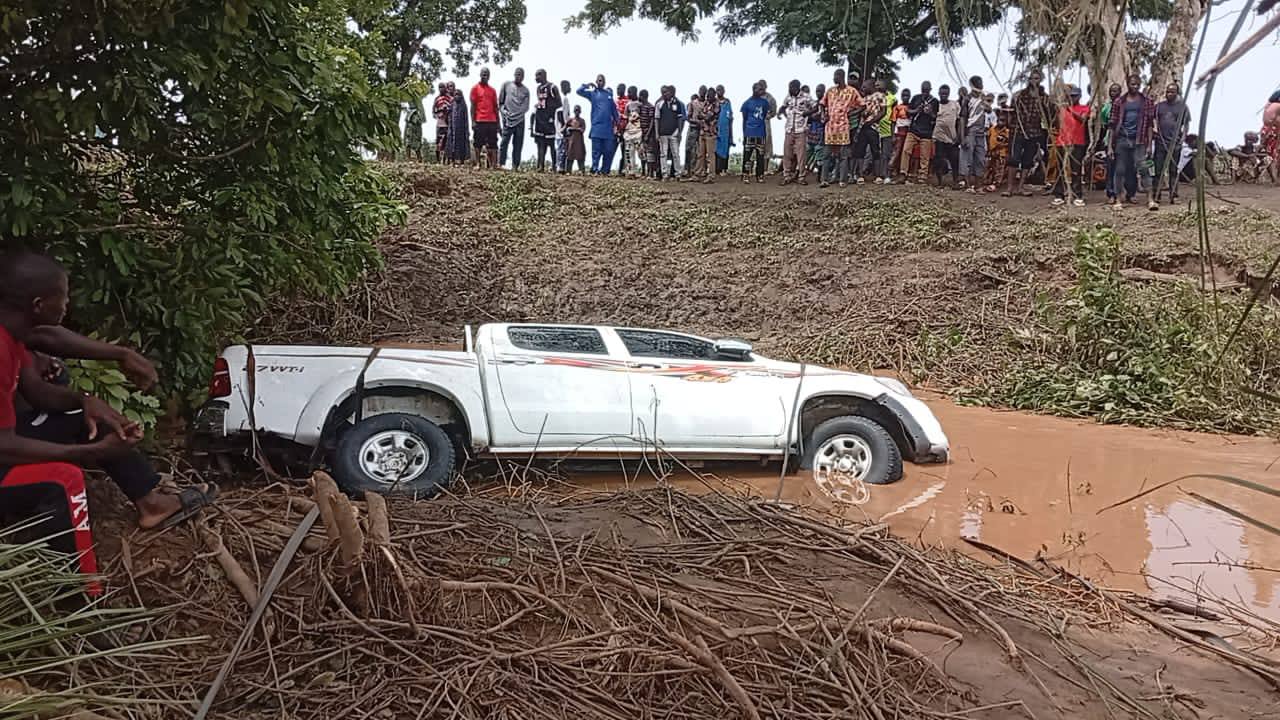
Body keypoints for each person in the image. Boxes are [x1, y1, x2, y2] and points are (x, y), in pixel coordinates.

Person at [0, 252, 216, 578]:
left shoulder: (12, 331)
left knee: (87, 417)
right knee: (63, 480)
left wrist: (87, 400)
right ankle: (77, 594)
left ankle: (152, 505)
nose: (68, 304)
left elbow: (38, 390)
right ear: (38, 305)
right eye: (64, 296)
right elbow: (4, 446)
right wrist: (89, 452)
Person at [1108, 73, 1157, 210]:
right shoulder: (1119, 102)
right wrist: (1110, 147)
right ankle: (1118, 200)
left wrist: (1149, 145)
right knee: (1120, 170)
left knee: (1144, 169)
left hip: (1139, 141)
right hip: (1122, 140)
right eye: (1132, 84)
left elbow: (1149, 125)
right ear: (1127, 84)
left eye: (1137, 84)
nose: (1135, 87)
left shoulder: (1146, 101)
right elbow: (1112, 125)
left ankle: (1150, 200)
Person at [1004, 69, 1054, 197]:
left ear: (1041, 80)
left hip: (1034, 132)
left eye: (1036, 78)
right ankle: (1010, 188)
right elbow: (1011, 111)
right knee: (1014, 158)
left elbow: (1048, 114)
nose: (1034, 81)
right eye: (1032, 78)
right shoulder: (1020, 95)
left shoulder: (1044, 97)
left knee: (1027, 160)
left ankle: (1021, 187)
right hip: (1018, 130)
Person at [820, 69, 859, 188]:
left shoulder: (852, 91)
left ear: (841, 76)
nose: (834, 78)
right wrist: (823, 114)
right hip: (830, 128)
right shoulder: (830, 91)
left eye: (835, 76)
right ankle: (824, 180)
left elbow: (862, 105)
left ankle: (842, 180)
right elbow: (822, 103)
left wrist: (851, 113)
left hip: (843, 128)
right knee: (826, 155)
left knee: (843, 156)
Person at [1051, 85, 1089, 206]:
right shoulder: (1061, 109)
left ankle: (1077, 195)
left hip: (1077, 142)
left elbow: (1083, 120)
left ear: (1080, 96)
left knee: (1076, 169)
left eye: (1074, 96)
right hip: (1062, 142)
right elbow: (1056, 124)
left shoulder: (1084, 108)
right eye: (1070, 96)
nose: (1072, 98)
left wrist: (1069, 109)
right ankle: (1059, 195)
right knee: (1060, 169)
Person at [1152, 83, 1189, 204]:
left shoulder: (1182, 107)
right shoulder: (1159, 106)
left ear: (1177, 93)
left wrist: (1182, 139)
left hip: (1175, 144)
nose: (1169, 94)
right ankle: (1156, 195)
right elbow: (1152, 120)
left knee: (1173, 171)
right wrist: (1155, 131)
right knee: (1158, 171)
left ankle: (1174, 195)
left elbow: (1186, 125)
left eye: (1172, 92)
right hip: (1160, 143)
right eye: (1168, 91)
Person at [577, 75, 619, 174]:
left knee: (608, 151)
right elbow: (578, 91)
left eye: (602, 81)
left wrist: (617, 125)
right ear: (596, 81)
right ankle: (595, 169)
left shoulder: (609, 95)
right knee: (596, 151)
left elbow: (614, 111)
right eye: (599, 80)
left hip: (608, 129)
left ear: (605, 82)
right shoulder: (593, 93)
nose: (600, 82)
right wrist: (587, 85)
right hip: (596, 127)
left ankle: (604, 170)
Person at [898, 81, 938, 184]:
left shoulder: (934, 101)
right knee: (906, 151)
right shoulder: (916, 98)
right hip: (913, 130)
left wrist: (930, 113)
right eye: (923, 90)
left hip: (927, 133)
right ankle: (903, 173)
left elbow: (936, 118)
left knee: (925, 156)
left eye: (926, 90)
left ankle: (922, 176)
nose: (924, 92)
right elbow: (908, 112)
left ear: (930, 90)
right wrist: (917, 110)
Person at [778, 79, 814, 185]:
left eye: (791, 87)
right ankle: (786, 176)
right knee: (787, 153)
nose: (789, 89)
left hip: (801, 129)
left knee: (801, 155)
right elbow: (783, 106)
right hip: (789, 129)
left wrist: (807, 114)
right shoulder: (788, 97)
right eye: (789, 87)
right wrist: (780, 113)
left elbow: (816, 106)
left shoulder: (806, 97)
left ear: (797, 88)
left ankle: (801, 177)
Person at [851, 79, 885, 184]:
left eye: (865, 87)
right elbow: (861, 112)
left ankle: (877, 175)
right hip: (863, 127)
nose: (863, 89)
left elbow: (883, 112)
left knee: (875, 151)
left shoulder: (880, 95)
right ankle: (860, 175)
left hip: (873, 127)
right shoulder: (864, 99)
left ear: (871, 86)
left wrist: (872, 121)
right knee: (860, 151)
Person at [960, 79, 991, 191]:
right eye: (978, 84)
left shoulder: (983, 98)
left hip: (981, 133)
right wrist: (962, 137)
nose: (980, 86)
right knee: (967, 158)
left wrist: (984, 101)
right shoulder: (967, 99)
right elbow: (962, 118)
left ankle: (978, 186)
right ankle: (968, 185)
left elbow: (989, 110)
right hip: (970, 131)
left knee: (980, 159)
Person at [496, 68, 530, 169]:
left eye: (520, 75)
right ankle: (501, 163)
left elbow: (525, 107)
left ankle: (515, 165)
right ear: (514, 74)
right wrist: (505, 113)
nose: (518, 76)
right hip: (507, 120)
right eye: (517, 74)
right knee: (504, 142)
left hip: (520, 120)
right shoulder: (506, 85)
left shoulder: (526, 91)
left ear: (523, 77)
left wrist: (515, 115)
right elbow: (500, 103)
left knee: (518, 144)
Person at [530, 69, 561, 173]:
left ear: (543, 75)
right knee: (540, 143)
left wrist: (549, 109)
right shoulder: (538, 88)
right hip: (540, 119)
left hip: (549, 120)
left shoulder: (552, 87)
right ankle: (541, 166)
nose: (536, 78)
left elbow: (559, 103)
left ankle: (554, 166)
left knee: (551, 144)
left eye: (537, 76)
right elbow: (540, 101)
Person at [931, 84, 962, 188]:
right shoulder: (936, 105)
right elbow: (932, 118)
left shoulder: (955, 104)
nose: (943, 95)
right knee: (939, 159)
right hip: (939, 136)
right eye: (942, 93)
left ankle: (955, 181)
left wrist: (959, 136)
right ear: (939, 94)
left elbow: (959, 121)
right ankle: (940, 182)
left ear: (948, 93)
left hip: (952, 138)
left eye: (945, 93)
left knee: (955, 159)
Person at [740, 82, 771, 183]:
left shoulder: (765, 103)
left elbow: (765, 114)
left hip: (761, 133)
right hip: (749, 132)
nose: (762, 91)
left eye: (762, 89)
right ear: (754, 90)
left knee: (760, 156)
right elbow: (744, 119)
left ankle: (760, 175)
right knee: (747, 156)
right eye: (759, 89)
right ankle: (745, 175)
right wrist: (744, 133)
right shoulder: (747, 103)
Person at [1098, 83, 1123, 203]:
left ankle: (1122, 192)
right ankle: (1111, 193)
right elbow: (1104, 124)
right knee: (1110, 167)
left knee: (1122, 168)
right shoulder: (1106, 107)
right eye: (1112, 91)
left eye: (1116, 91)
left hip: (1123, 139)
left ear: (1120, 92)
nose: (1113, 93)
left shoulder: (1124, 105)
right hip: (1110, 139)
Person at [470, 68, 499, 169]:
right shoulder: (475, 88)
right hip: (479, 120)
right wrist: (473, 121)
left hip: (492, 120)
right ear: (480, 75)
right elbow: (473, 106)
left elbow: (495, 107)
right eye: (483, 74)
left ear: (489, 76)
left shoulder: (493, 90)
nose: (484, 75)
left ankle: (494, 165)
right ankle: (478, 164)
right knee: (477, 143)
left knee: (493, 144)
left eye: (486, 74)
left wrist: (498, 123)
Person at [654, 86, 686, 180]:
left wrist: (679, 132)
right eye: (663, 93)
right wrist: (657, 133)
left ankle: (678, 174)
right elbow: (656, 119)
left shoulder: (677, 104)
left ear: (670, 93)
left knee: (675, 153)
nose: (665, 94)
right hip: (663, 133)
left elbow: (680, 118)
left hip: (674, 133)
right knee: (663, 154)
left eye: (666, 92)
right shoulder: (659, 104)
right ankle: (664, 174)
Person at [692, 82, 720, 182]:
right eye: (707, 96)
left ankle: (711, 176)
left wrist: (702, 116)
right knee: (700, 154)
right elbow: (700, 115)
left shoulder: (716, 104)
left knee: (710, 155)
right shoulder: (706, 103)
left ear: (714, 95)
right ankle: (698, 174)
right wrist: (703, 116)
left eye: (709, 96)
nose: (707, 97)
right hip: (703, 131)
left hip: (711, 133)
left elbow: (708, 117)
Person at [875, 80, 897, 183]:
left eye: (879, 84)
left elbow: (894, 115)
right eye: (876, 85)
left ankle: (886, 175)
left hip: (887, 128)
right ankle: (878, 175)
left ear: (885, 85)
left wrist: (893, 132)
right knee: (875, 153)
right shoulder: (874, 97)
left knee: (886, 153)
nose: (877, 86)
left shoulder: (892, 98)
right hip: (875, 128)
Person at [984, 108, 1011, 191]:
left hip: (1001, 153)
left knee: (999, 168)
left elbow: (1008, 143)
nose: (1001, 122)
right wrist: (988, 149)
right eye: (1000, 120)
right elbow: (987, 137)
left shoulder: (1007, 132)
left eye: (1003, 120)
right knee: (990, 167)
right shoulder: (992, 129)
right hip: (992, 152)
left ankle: (996, 183)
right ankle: (987, 180)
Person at [888, 87, 911, 184]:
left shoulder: (912, 108)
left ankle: (904, 173)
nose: (905, 97)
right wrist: (893, 135)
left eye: (907, 96)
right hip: (899, 133)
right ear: (901, 96)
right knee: (896, 152)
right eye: (904, 95)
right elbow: (893, 122)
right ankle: (890, 171)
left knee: (905, 153)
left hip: (909, 133)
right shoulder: (897, 108)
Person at [806, 84, 827, 178]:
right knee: (808, 151)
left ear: (824, 92)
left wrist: (816, 117)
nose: (818, 93)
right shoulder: (814, 104)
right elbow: (808, 118)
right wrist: (812, 116)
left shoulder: (826, 104)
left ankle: (820, 175)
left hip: (821, 132)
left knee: (819, 153)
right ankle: (800, 172)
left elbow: (824, 118)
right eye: (817, 91)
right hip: (812, 131)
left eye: (820, 91)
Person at [684, 87, 706, 177]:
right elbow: (688, 117)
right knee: (689, 149)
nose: (703, 93)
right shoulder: (693, 103)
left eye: (704, 92)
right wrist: (697, 121)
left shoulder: (707, 104)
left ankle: (700, 170)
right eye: (701, 91)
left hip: (703, 130)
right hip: (693, 128)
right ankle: (687, 170)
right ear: (699, 92)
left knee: (701, 151)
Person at [446, 85, 471, 164]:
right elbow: (450, 116)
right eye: (455, 94)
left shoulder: (463, 105)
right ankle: (452, 160)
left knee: (462, 144)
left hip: (462, 129)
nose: (457, 96)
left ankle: (462, 160)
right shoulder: (452, 104)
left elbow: (466, 118)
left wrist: (467, 130)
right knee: (452, 143)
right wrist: (450, 127)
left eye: (458, 95)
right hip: (453, 128)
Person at [759, 79, 778, 174]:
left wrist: (768, 116)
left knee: (766, 144)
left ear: (766, 86)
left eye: (763, 85)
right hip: (754, 124)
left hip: (765, 123)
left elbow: (774, 111)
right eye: (760, 85)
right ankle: (755, 169)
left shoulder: (770, 98)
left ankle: (765, 169)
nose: (761, 87)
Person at [715, 85, 734, 176]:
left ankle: (724, 169)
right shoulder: (714, 102)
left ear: (724, 91)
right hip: (716, 129)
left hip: (726, 129)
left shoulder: (727, 102)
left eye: (721, 90)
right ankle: (716, 170)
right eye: (718, 90)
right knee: (716, 150)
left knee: (725, 149)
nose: (719, 92)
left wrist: (731, 132)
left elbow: (730, 117)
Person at [623, 95, 645, 176]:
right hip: (629, 132)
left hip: (638, 131)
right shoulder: (628, 105)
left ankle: (644, 171)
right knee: (629, 152)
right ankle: (631, 172)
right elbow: (626, 118)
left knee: (641, 152)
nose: (628, 94)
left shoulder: (640, 104)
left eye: (630, 92)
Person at [432, 83, 454, 163]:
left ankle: (445, 160)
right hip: (440, 123)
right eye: (439, 87)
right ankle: (438, 160)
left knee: (447, 142)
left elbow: (453, 109)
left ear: (446, 88)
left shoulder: (450, 98)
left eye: (443, 87)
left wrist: (447, 111)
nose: (441, 89)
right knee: (438, 142)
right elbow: (433, 110)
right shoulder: (437, 98)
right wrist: (438, 113)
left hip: (448, 123)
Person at [555, 79, 572, 172]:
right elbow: (560, 113)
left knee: (563, 147)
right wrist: (563, 127)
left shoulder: (565, 98)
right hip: (561, 128)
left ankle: (561, 166)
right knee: (561, 148)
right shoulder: (562, 98)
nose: (570, 88)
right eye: (568, 86)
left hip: (563, 126)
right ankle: (560, 167)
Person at [615, 84, 633, 175]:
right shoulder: (615, 101)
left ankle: (623, 170)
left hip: (626, 129)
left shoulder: (628, 101)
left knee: (625, 150)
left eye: (619, 89)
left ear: (623, 90)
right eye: (617, 89)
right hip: (616, 129)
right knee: (612, 150)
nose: (617, 90)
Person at [565, 106, 587, 174]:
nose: (577, 112)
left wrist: (573, 129)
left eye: (578, 111)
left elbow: (582, 130)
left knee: (580, 156)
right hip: (571, 141)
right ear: (574, 111)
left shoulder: (582, 121)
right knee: (570, 155)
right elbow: (566, 129)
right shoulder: (570, 120)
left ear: (580, 112)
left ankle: (581, 170)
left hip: (579, 141)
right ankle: (568, 171)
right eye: (576, 110)